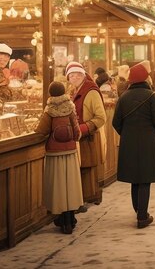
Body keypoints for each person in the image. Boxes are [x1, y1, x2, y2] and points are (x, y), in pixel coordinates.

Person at [113, 62, 155, 229]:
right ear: (145, 78)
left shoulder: (123, 97)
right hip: (148, 141)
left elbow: (116, 122)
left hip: (129, 141)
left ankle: (138, 211)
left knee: (135, 179)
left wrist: (127, 133)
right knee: (145, 179)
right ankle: (142, 216)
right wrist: (148, 130)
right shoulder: (151, 96)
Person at [35, 81, 82, 234]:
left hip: (54, 153)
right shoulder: (70, 107)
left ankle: (62, 219)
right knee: (70, 185)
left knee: (59, 186)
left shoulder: (49, 110)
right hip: (69, 152)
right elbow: (76, 132)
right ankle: (70, 219)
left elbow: (41, 131)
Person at [66, 61, 106, 207]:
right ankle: (83, 199)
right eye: (71, 75)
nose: (74, 77)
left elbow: (101, 117)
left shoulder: (91, 91)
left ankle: (87, 199)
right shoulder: (74, 91)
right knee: (81, 170)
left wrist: (82, 128)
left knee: (86, 170)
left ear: (83, 75)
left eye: (77, 74)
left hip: (87, 138)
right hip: (78, 138)